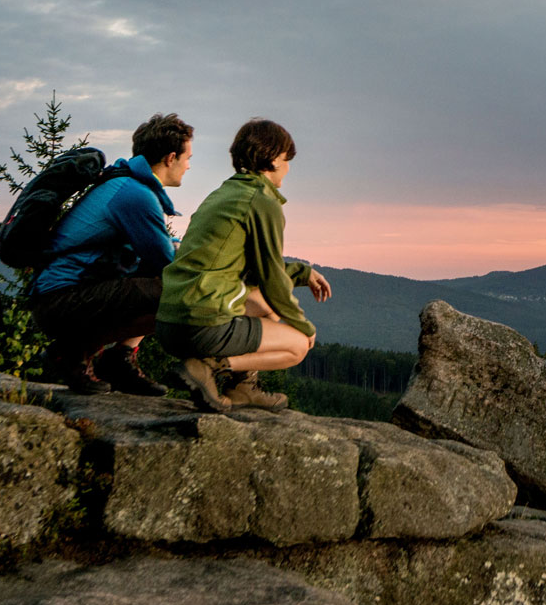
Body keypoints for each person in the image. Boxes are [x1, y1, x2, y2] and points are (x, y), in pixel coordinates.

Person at [155, 117, 332, 412]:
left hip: (170, 322)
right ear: (274, 159)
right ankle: (209, 367)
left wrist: (303, 273)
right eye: (287, 159)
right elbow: (271, 276)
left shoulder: (225, 193)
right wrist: (305, 326)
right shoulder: (261, 200)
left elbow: (255, 270)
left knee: (266, 305)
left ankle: (243, 388)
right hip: (201, 322)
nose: (288, 167)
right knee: (298, 345)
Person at [30, 112, 193, 395]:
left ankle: (117, 359)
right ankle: (73, 353)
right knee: (184, 293)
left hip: (58, 296)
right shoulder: (135, 195)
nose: (188, 166)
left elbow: (152, 251)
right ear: (170, 158)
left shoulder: (125, 184)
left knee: (159, 281)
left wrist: (174, 246)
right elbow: (166, 262)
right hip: (61, 301)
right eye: (187, 157)